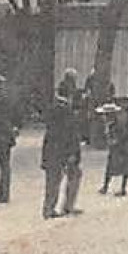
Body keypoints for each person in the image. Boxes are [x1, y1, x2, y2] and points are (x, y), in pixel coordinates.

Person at [41, 83, 85, 219]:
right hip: (64, 150)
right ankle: (66, 205)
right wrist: (73, 152)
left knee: (53, 179)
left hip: (51, 149)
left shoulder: (52, 108)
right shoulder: (66, 111)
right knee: (72, 176)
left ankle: (49, 207)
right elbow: (70, 133)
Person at [0, 73, 20, 203]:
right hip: (5, 135)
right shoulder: (9, 98)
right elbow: (17, 115)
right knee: (5, 165)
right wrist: (16, 128)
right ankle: (4, 193)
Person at [100, 107, 128, 196]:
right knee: (116, 168)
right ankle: (108, 187)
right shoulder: (113, 123)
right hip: (120, 148)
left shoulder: (117, 124)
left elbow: (121, 136)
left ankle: (114, 188)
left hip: (122, 148)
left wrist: (114, 142)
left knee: (120, 168)